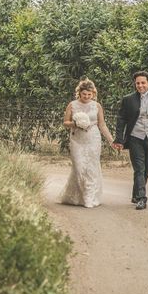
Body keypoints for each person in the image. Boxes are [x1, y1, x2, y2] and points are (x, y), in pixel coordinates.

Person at [112, 71, 148, 210]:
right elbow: (121, 120)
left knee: (146, 168)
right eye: (137, 83)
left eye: (143, 82)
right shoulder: (128, 99)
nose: (140, 85)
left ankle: (135, 194)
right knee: (139, 168)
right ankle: (142, 198)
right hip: (135, 138)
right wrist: (119, 139)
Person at [60, 79, 117, 208]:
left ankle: (89, 197)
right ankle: (78, 196)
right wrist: (76, 124)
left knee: (91, 168)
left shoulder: (97, 106)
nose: (86, 97)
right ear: (79, 93)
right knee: (79, 167)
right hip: (77, 140)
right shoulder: (72, 105)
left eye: (89, 94)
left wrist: (111, 140)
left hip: (93, 139)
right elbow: (65, 123)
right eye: (84, 94)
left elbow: (102, 125)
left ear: (93, 94)